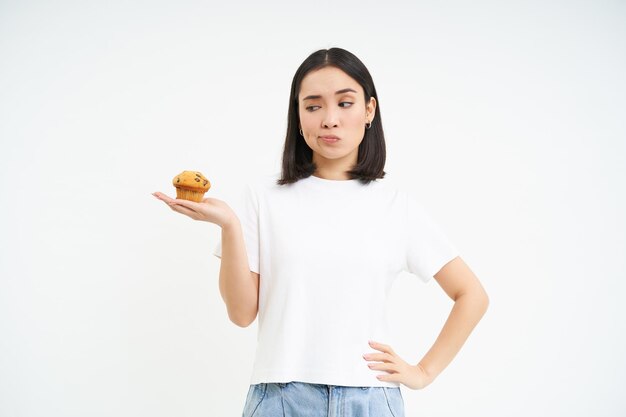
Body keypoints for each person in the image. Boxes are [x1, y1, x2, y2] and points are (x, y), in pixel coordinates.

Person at [153, 47, 489, 417]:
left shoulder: (397, 207)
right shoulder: (263, 198)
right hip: (280, 398)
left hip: (370, 399)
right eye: (313, 106)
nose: (329, 119)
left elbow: (471, 294)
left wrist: (423, 372)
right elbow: (241, 313)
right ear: (298, 117)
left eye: (345, 103)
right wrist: (230, 225)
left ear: (369, 111)